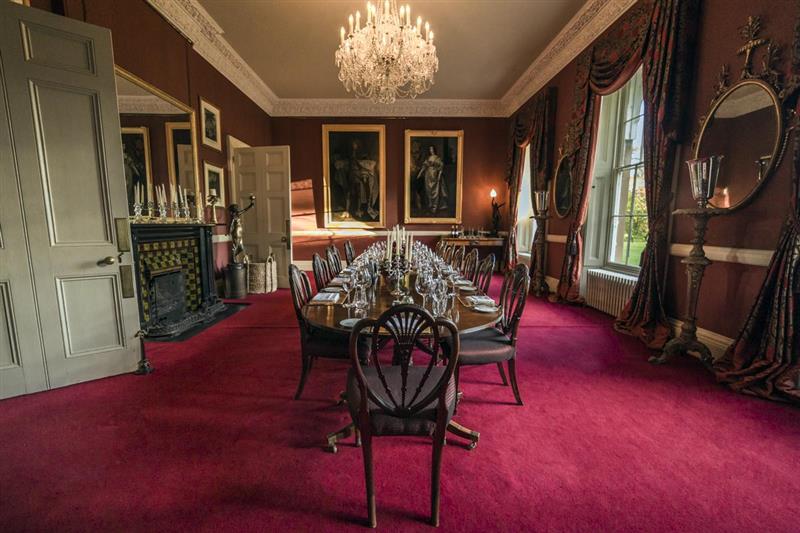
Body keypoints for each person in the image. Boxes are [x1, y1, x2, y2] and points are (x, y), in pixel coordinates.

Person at [416, 145, 447, 214]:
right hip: (428, 176)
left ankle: (434, 207)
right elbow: (424, 167)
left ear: (434, 150)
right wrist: (420, 174)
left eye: (432, 149)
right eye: (430, 149)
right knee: (428, 191)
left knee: (435, 191)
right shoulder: (428, 158)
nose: (431, 150)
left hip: (435, 176)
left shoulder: (438, 158)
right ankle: (430, 206)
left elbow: (441, 168)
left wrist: (439, 176)